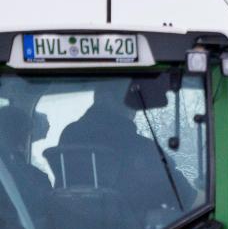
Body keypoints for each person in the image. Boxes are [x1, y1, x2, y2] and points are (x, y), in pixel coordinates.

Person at [55, 79, 196, 211]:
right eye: (131, 97)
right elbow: (187, 197)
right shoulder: (142, 150)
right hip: (132, 227)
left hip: (67, 225)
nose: (135, 106)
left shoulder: (70, 136)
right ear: (106, 98)